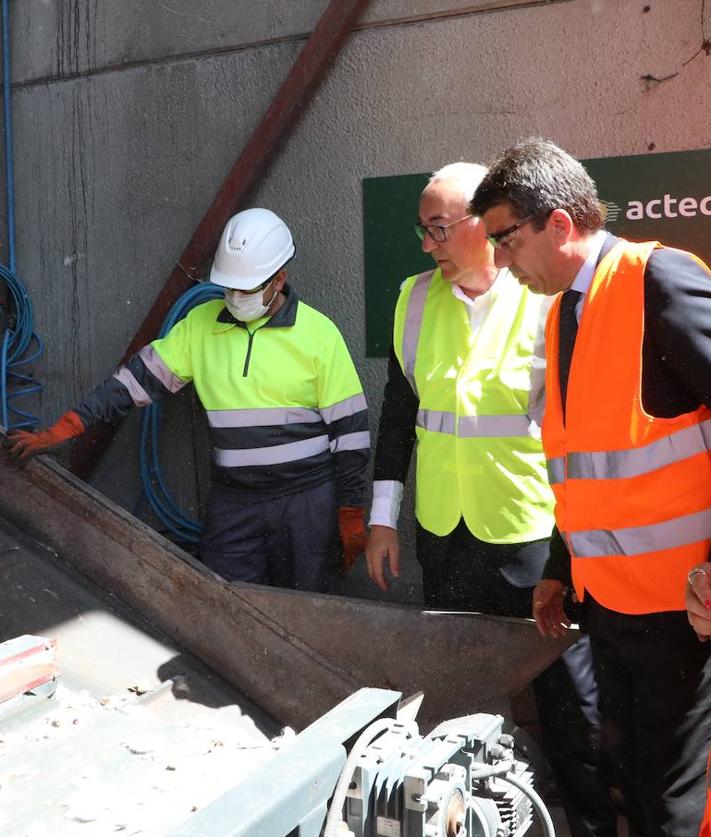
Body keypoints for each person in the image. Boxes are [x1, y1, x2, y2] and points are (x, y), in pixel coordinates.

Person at [367, 162, 615, 837]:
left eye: (438, 229)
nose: (427, 244)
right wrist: (381, 520)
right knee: (457, 700)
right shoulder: (413, 300)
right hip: (443, 537)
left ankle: (590, 824)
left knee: (570, 707)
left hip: (535, 543)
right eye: (421, 230)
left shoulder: (547, 301)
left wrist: (572, 548)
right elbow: (399, 416)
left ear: (483, 225)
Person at [472, 137, 711, 836]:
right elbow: (579, 465)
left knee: (673, 803)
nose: (500, 263)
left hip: (682, 612)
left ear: (557, 223)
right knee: (630, 787)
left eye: (505, 240)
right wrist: (559, 567)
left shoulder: (657, 278)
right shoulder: (561, 312)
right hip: (608, 606)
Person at [6, 208, 370, 592]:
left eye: (246, 289)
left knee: (308, 607)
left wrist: (349, 513)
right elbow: (133, 382)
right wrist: (65, 428)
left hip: (306, 501)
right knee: (226, 603)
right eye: (229, 287)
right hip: (236, 501)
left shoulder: (319, 334)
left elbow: (351, 434)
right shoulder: (200, 326)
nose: (234, 297)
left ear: (278, 279)